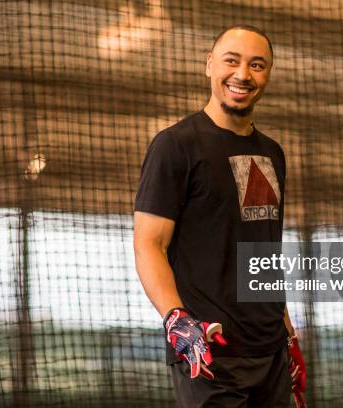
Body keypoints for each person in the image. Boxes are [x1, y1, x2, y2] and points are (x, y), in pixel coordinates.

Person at [133, 24, 306, 407]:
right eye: (232, 61)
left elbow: (263, 252)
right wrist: (176, 319)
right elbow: (149, 244)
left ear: (269, 74)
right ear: (210, 65)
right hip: (209, 351)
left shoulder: (273, 153)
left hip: (271, 353)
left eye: (257, 65)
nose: (243, 74)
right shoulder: (174, 146)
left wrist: (287, 334)